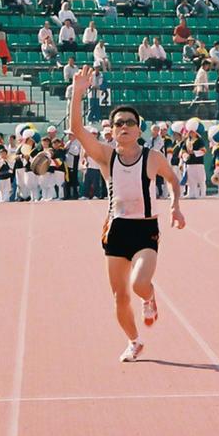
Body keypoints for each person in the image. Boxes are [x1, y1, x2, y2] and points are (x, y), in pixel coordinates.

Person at [68, 65, 185, 362]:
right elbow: (78, 131)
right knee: (120, 296)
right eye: (118, 123)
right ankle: (134, 341)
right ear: (111, 129)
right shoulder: (106, 156)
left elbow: (172, 179)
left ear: (138, 128)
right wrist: (78, 93)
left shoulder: (152, 157)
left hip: (145, 230)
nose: (124, 127)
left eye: (130, 122)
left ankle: (149, 296)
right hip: (117, 229)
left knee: (139, 284)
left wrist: (175, 205)